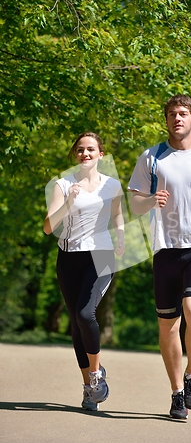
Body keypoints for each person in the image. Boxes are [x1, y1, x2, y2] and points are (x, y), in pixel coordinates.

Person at [128, 95, 191, 420]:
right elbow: (133, 201)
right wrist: (150, 201)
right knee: (168, 326)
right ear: (166, 120)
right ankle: (176, 394)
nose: (177, 118)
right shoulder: (152, 157)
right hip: (166, 247)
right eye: (172, 114)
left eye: (183, 113)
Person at [43, 132, 124, 411]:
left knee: (84, 313)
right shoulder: (62, 185)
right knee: (76, 324)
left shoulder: (112, 185)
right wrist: (68, 202)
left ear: (101, 154)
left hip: (101, 255)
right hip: (68, 257)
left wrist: (121, 236)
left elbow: (117, 215)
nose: (85, 154)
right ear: (75, 154)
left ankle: (96, 374)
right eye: (80, 150)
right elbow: (47, 227)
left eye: (91, 149)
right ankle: (90, 387)